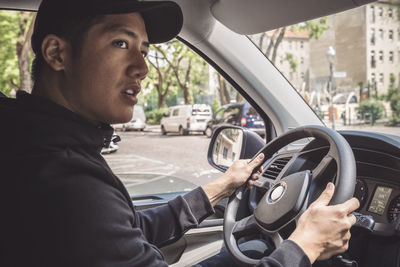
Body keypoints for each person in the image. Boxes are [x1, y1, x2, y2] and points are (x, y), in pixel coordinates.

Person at [0, 0, 359, 266]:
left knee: (248, 252)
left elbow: (129, 229)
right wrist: (305, 246)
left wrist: (221, 187)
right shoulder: (63, 176)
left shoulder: (41, 145)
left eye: (143, 50)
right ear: (56, 53)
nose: (142, 67)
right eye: (121, 44)